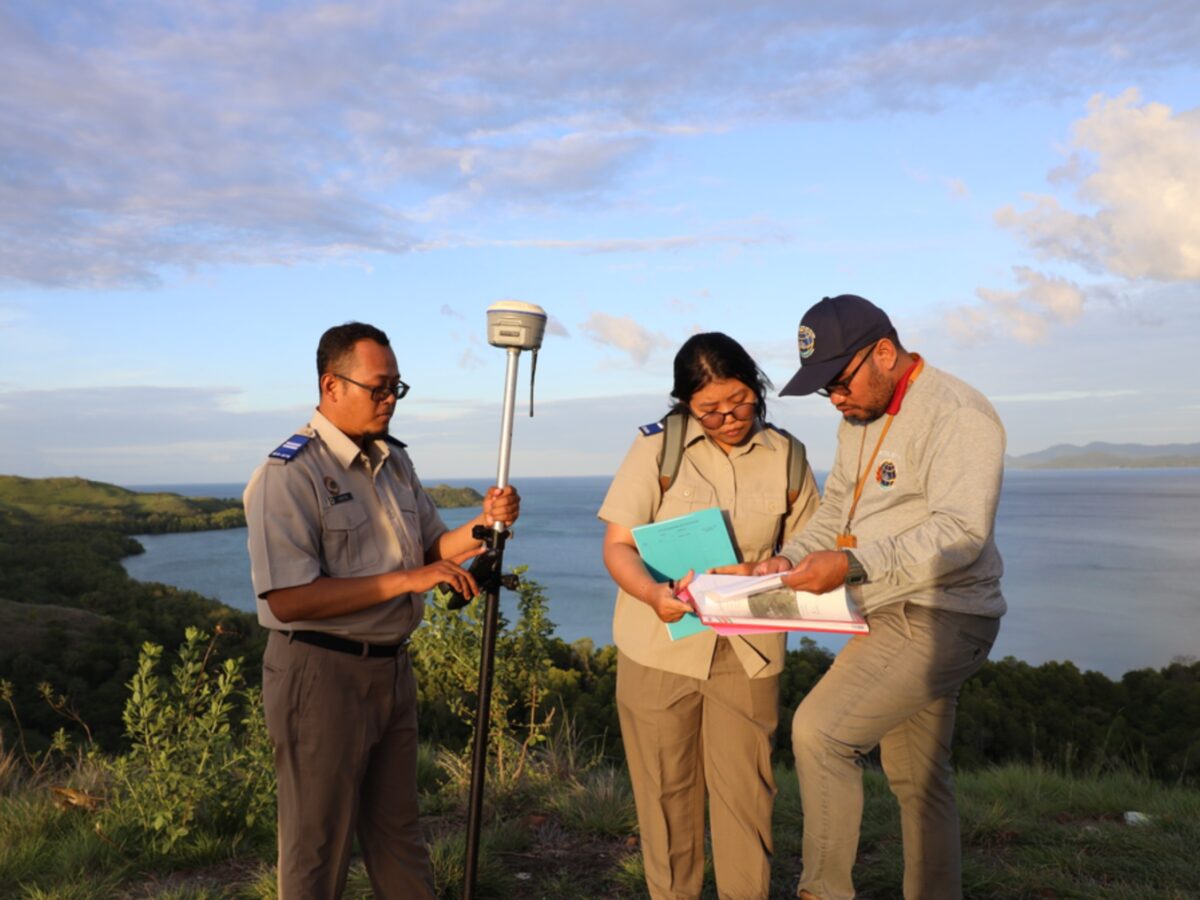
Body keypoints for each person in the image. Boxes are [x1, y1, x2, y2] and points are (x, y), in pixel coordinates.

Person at [243, 322, 520, 899]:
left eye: (397, 387)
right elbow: (288, 599)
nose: (391, 398)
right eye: (379, 387)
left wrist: (485, 523)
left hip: (391, 669)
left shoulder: (393, 462)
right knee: (318, 846)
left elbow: (432, 548)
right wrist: (407, 580)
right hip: (320, 674)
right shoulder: (288, 475)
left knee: (399, 833)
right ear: (331, 385)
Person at [758, 294, 1006, 900]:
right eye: (825, 390)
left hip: (941, 612)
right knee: (919, 778)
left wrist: (852, 563)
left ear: (886, 354)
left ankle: (822, 892)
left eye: (839, 382)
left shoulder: (958, 415)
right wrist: (785, 560)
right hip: (887, 603)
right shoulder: (860, 420)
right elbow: (838, 507)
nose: (836, 399)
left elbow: (961, 533)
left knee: (820, 733)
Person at [598, 332, 821, 900]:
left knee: (747, 800)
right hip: (661, 645)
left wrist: (783, 562)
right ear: (683, 404)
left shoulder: (789, 455)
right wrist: (653, 594)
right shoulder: (656, 450)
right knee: (666, 798)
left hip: (750, 651)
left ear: (758, 386)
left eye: (741, 401)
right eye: (710, 409)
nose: (728, 418)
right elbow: (618, 547)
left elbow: (810, 547)